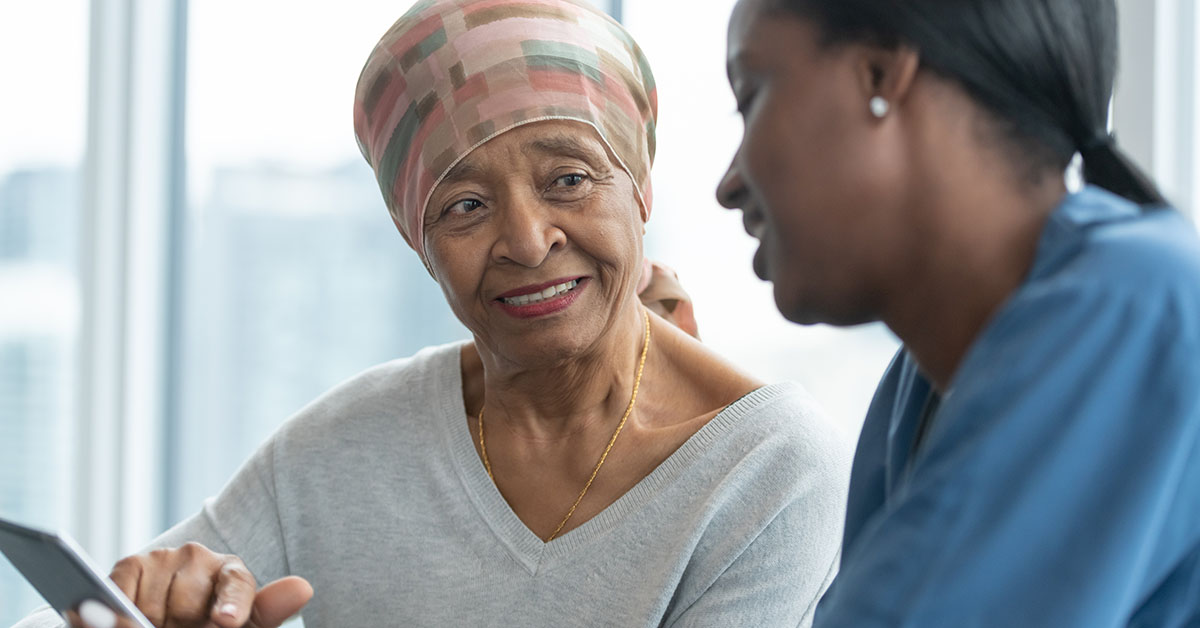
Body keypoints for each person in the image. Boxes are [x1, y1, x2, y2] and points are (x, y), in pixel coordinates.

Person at [16, 1, 852, 627]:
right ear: (417, 241)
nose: (526, 241)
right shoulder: (337, 450)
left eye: (568, 179)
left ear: (638, 189)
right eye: (463, 206)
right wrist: (169, 595)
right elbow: (128, 602)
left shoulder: (767, 466)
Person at [717, 0, 1200, 624]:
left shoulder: (1131, 305)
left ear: (881, 75)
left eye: (750, 96)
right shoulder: (913, 394)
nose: (728, 183)